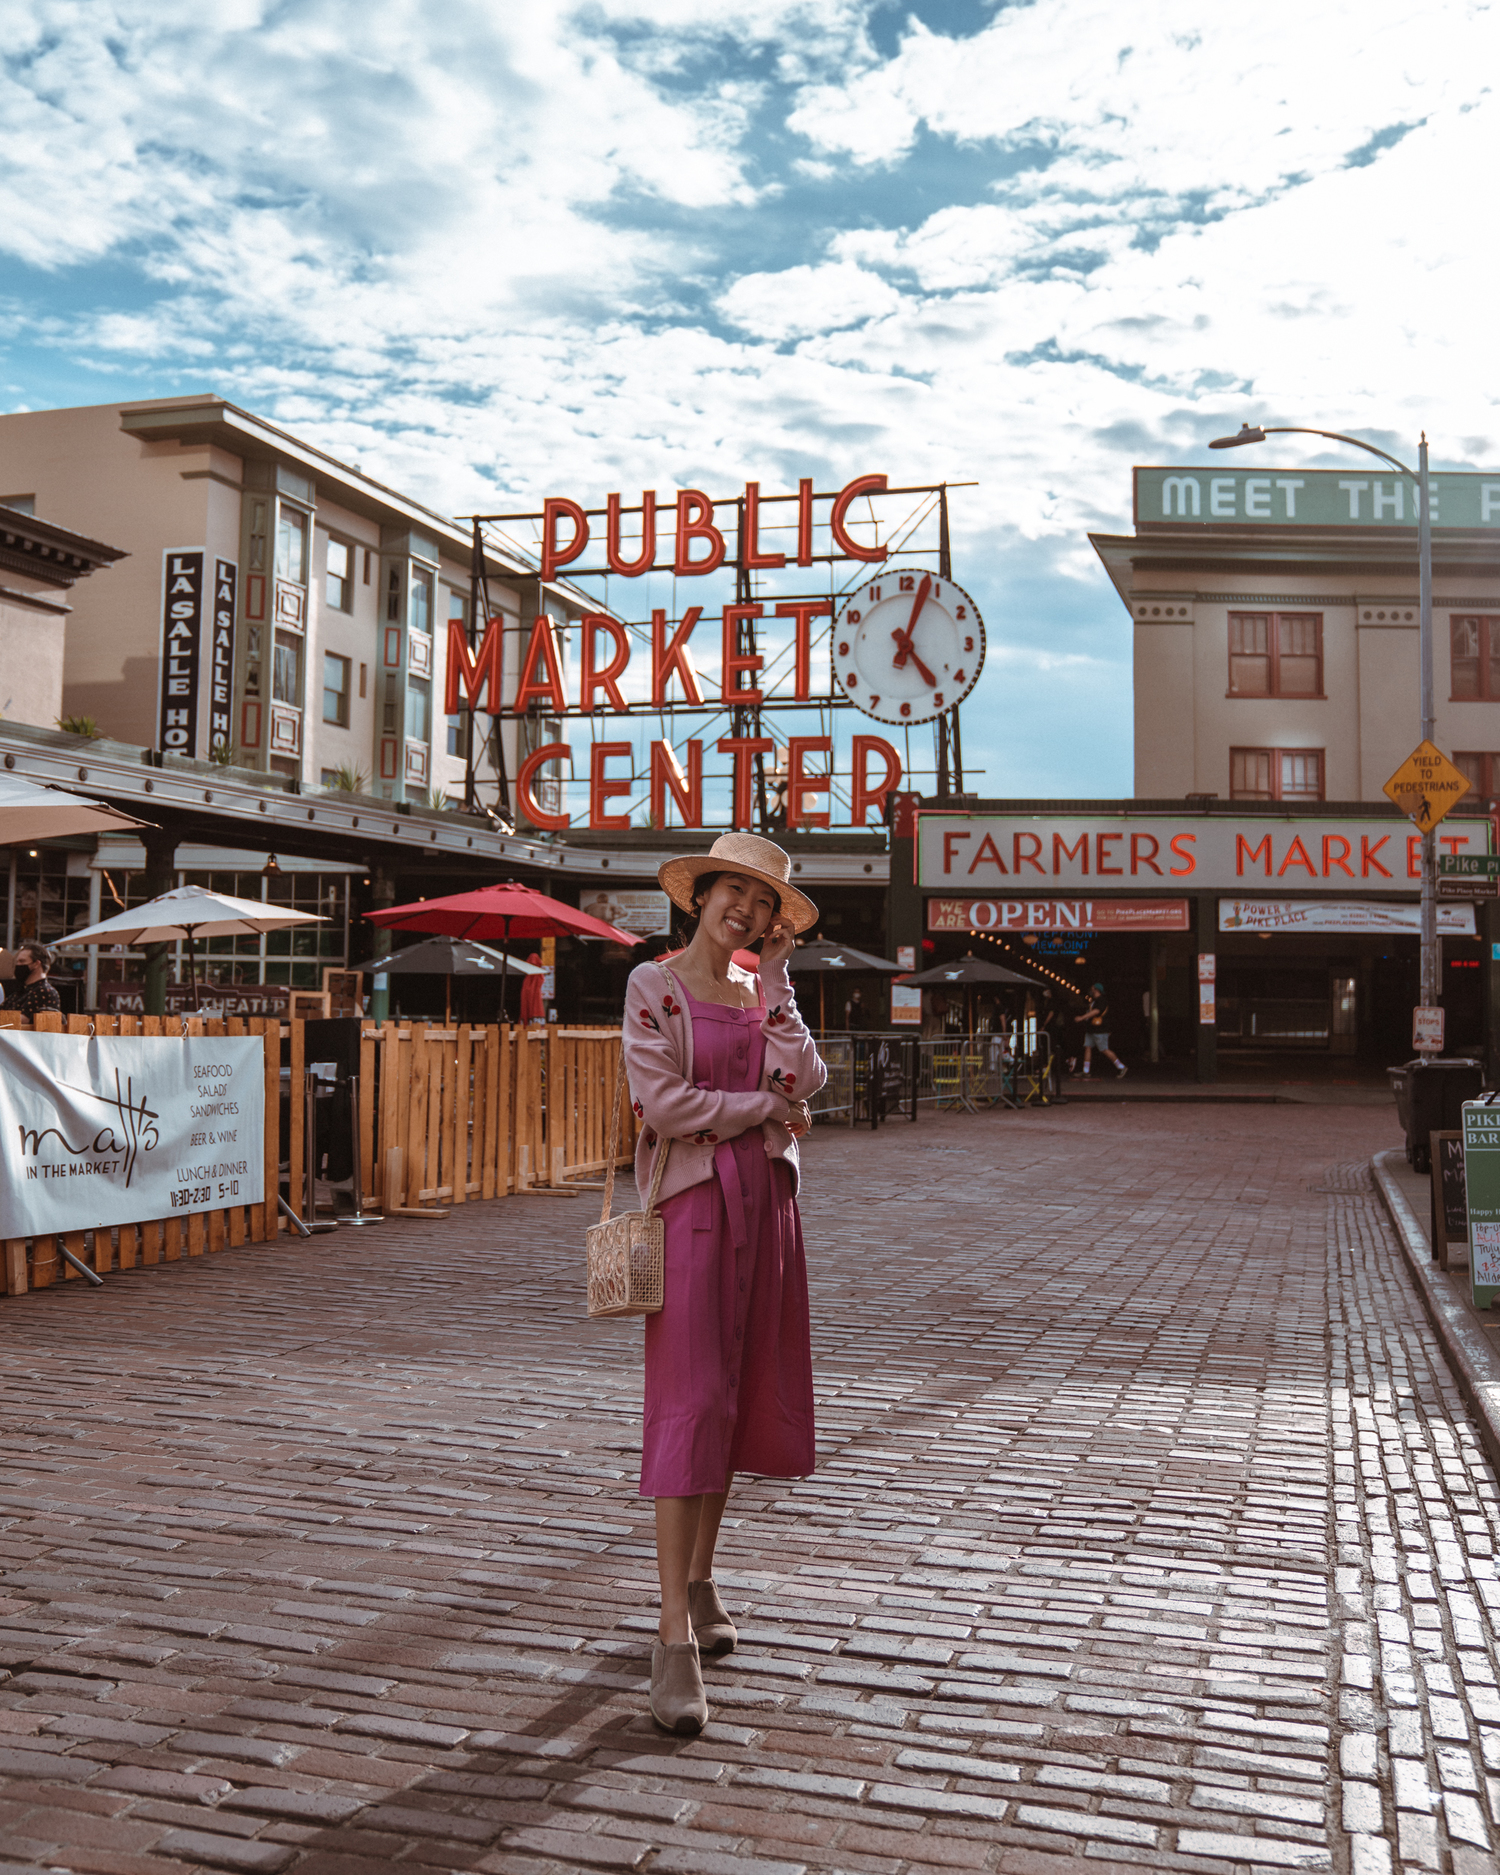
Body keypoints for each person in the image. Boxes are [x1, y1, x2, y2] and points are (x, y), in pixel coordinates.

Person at [622, 832, 825, 1736]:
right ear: (698, 896)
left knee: (735, 1396)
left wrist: (776, 982)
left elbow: (811, 1075)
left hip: (768, 1207)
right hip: (695, 1210)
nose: (745, 910)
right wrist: (763, 1109)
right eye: (731, 893)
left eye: (762, 901)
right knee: (689, 1397)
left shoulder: (762, 990)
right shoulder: (652, 987)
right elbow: (665, 1106)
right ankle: (672, 1634)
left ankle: (702, 1578)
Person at [1081, 980, 1126, 1078]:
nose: (1091, 990)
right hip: (1092, 1029)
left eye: (1092, 988)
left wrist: (1082, 1017)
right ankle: (1086, 1070)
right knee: (1087, 1047)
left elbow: (1096, 1011)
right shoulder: (1094, 1001)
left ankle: (1121, 1067)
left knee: (1104, 1049)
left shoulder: (1101, 1001)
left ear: (1096, 990)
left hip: (1100, 1030)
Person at [12, 943, 61, 1022]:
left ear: (36, 964)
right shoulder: (21, 991)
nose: (18, 965)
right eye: (17, 962)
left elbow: (22, 1019)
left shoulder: (45, 991)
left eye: (22, 961)